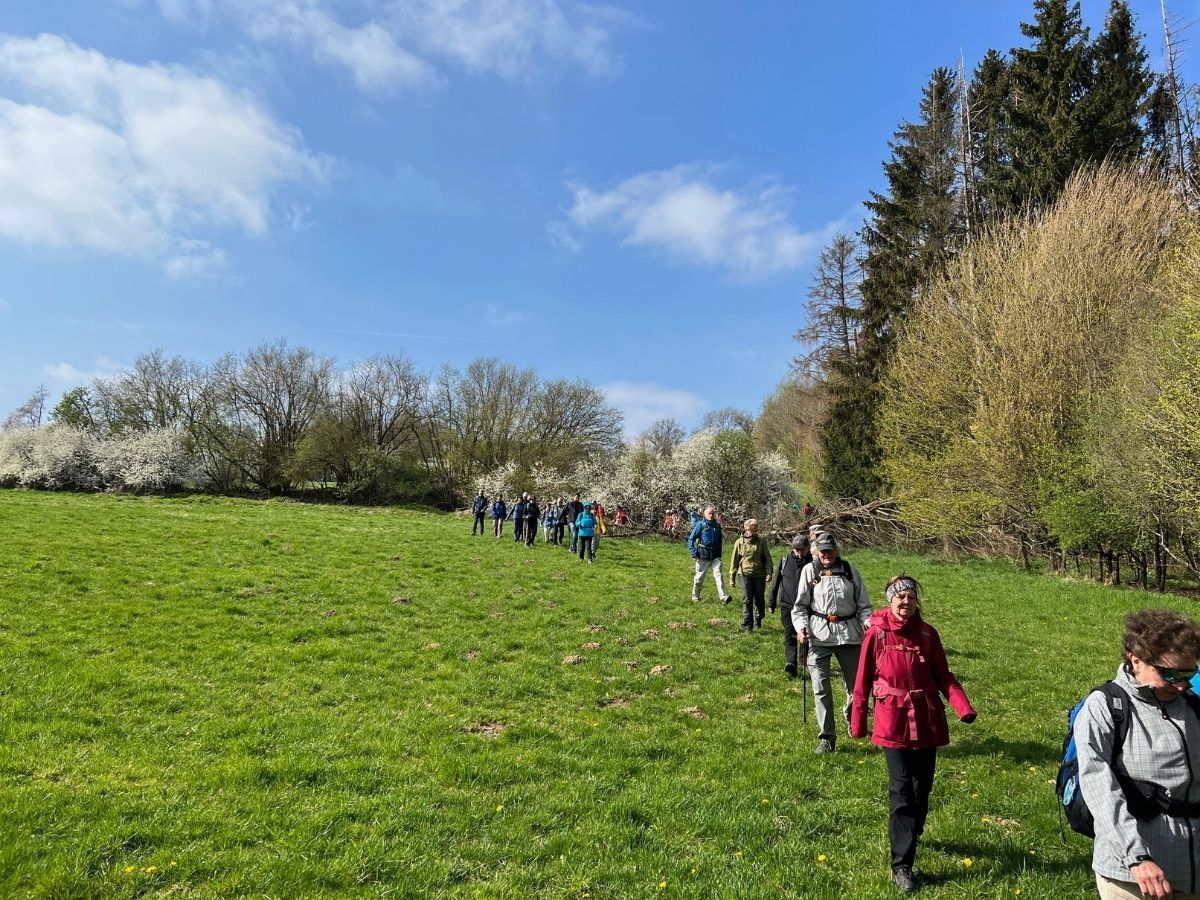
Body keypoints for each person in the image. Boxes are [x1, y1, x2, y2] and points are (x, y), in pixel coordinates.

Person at [850, 576, 976, 893]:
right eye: (901, 596)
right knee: (902, 792)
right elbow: (862, 680)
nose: (906, 602)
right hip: (892, 722)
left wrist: (963, 706)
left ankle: (914, 829)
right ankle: (902, 865)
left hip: (927, 721)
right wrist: (858, 721)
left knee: (922, 789)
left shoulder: (927, 635)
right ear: (890, 599)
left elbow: (943, 675)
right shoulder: (876, 634)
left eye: (911, 597)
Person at [1075, 608, 1200, 900]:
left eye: (1189, 673)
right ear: (1136, 660)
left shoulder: (1193, 705)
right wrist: (1137, 858)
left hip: (1193, 869)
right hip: (1134, 875)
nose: (1181, 684)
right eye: (1169, 674)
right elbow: (1099, 788)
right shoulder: (1106, 706)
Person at [792, 532, 871, 754]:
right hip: (818, 636)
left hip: (850, 635)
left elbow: (864, 605)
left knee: (857, 687)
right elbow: (799, 607)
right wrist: (801, 628)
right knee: (821, 688)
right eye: (822, 550)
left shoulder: (849, 570)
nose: (826, 554)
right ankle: (827, 737)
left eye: (829, 550)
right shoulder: (810, 570)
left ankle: (851, 715)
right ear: (816, 551)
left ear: (836, 551)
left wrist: (868, 623)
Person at [769, 534, 812, 676]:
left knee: (805, 635)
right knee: (790, 633)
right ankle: (791, 663)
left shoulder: (813, 563)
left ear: (808, 548)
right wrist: (772, 602)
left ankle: (805, 662)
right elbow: (775, 582)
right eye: (796, 549)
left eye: (802, 550)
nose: (799, 552)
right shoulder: (785, 560)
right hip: (787, 604)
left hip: (806, 606)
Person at [729, 518, 772, 632]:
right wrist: (732, 577)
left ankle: (758, 618)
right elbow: (734, 560)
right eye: (750, 530)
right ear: (745, 529)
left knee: (759, 600)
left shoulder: (761, 542)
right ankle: (747, 625)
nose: (752, 533)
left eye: (754, 530)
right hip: (744, 573)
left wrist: (769, 573)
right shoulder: (739, 543)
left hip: (759, 574)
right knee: (747, 599)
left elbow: (767, 558)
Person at [689, 506, 731, 604]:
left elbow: (720, 541)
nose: (711, 515)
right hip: (703, 555)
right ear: (705, 515)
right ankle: (695, 597)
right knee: (699, 577)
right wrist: (693, 553)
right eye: (709, 513)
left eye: (713, 513)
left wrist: (719, 554)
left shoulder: (717, 526)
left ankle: (724, 597)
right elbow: (691, 539)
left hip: (715, 556)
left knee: (719, 575)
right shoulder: (700, 525)